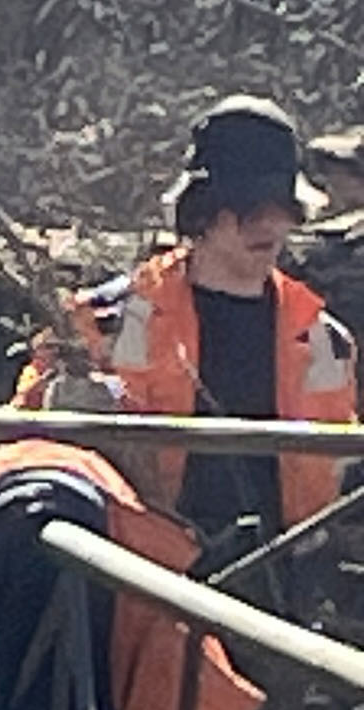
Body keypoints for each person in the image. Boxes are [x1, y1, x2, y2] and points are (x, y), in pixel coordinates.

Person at [37, 96, 357, 586]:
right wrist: (60, 404)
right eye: (249, 208)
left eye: (284, 207)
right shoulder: (107, 322)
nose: (270, 225)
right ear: (201, 211)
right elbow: (25, 450)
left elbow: (337, 483)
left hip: (281, 594)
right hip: (136, 586)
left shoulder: (325, 341)